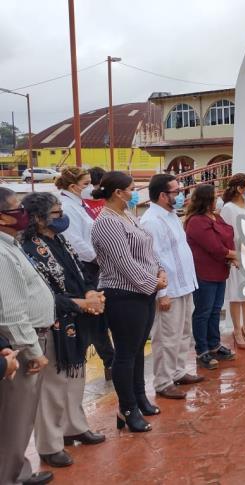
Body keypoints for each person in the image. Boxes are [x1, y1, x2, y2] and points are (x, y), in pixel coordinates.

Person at [21, 192, 107, 468]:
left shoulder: (58, 239)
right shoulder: (28, 248)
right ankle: (49, 444)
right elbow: (40, 293)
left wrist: (92, 293)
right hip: (53, 322)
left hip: (76, 318)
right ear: (38, 218)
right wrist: (79, 303)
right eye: (57, 214)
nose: (62, 218)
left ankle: (74, 426)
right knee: (52, 388)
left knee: (75, 377)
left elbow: (79, 271)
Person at [90, 172, 167, 433]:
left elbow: (147, 249)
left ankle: (139, 397)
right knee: (125, 353)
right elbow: (124, 263)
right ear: (117, 192)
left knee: (136, 350)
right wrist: (151, 282)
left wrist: (160, 270)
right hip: (123, 294)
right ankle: (127, 407)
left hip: (144, 292)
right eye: (131, 189)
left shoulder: (127, 214)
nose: (135, 193)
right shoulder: (107, 222)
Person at [0, 187, 55, 485]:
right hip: (21, 346)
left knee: (20, 419)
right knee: (14, 419)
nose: (23, 214)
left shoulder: (11, 243)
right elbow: (10, 311)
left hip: (28, 340)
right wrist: (33, 350)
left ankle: (16, 471)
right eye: (15, 209)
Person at [140, 174, 204, 400]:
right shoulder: (151, 221)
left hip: (184, 285)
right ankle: (163, 381)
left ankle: (178, 371)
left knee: (183, 333)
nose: (180, 195)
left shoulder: (170, 215)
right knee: (166, 337)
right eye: (176, 191)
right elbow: (153, 259)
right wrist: (162, 293)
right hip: (169, 289)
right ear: (162, 195)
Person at [56, 166, 116, 380]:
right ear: (73, 186)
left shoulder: (79, 205)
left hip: (91, 263)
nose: (90, 187)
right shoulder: (68, 207)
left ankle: (110, 360)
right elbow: (76, 242)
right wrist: (100, 258)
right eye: (86, 184)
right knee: (91, 318)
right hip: (84, 266)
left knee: (98, 316)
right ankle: (102, 361)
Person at [185, 184, 237, 370]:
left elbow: (227, 233)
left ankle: (214, 344)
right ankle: (202, 350)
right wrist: (233, 255)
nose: (218, 200)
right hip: (204, 272)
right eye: (215, 197)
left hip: (219, 270)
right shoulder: (196, 221)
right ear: (206, 200)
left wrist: (229, 253)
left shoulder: (215, 216)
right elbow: (214, 246)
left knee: (215, 310)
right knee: (203, 312)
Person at [220, 173, 245, 349]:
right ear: (239, 188)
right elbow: (228, 235)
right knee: (236, 294)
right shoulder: (228, 208)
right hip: (238, 255)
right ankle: (237, 330)